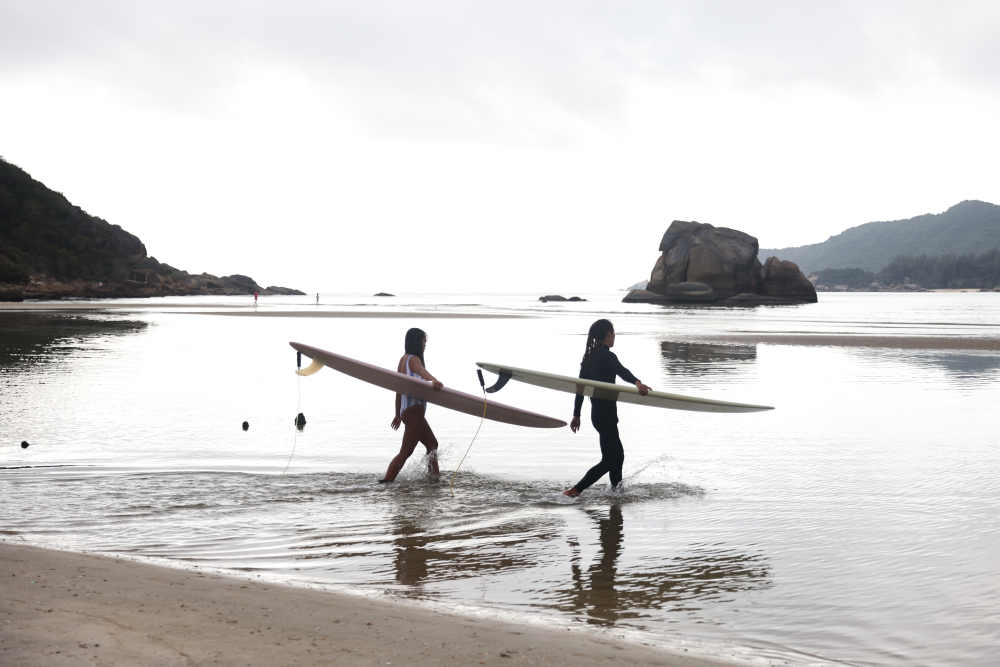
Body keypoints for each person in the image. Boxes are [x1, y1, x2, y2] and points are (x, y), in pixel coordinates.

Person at [565, 319, 650, 497]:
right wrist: (637, 383)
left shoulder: (588, 358)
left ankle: (616, 493)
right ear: (607, 335)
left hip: (597, 415)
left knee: (616, 456)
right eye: (613, 333)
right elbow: (622, 371)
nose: (614, 337)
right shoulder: (608, 356)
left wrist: (576, 414)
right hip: (607, 415)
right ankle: (576, 490)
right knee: (612, 458)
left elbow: (580, 388)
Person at [381, 328, 442, 483]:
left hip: (408, 412)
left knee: (432, 444)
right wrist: (434, 380)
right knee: (405, 452)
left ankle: (434, 479)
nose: (425, 345)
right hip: (414, 412)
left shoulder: (403, 359)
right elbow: (422, 372)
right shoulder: (414, 359)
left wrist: (397, 414)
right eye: (423, 342)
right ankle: (386, 482)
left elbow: (398, 389)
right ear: (417, 342)